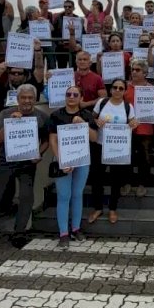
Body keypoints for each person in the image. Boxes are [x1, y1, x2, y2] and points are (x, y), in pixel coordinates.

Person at [0, 84, 49, 262]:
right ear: (18, 99)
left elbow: (45, 139)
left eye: (30, 98)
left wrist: (39, 152)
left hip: (27, 162)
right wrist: (11, 124)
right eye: (24, 98)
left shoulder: (41, 116)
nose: (27, 101)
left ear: (35, 99)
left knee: (26, 197)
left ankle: (19, 233)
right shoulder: (6, 113)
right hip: (5, 160)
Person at [48, 85, 97, 243]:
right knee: (64, 195)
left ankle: (75, 228)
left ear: (81, 98)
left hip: (82, 160)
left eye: (75, 94)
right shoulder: (56, 115)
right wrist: (61, 160)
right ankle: (63, 232)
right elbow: (52, 140)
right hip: (62, 159)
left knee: (77, 194)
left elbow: (94, 137)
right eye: (68, 94)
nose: (71, 97)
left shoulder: (86, 115)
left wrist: (83, 124)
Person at [89, 78, 138, 224]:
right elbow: (91, 119)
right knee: (97, 178)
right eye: (115, 87)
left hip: (117, 148)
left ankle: (112, 208)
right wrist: (96, 122)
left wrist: (134, 124)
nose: (117, 90)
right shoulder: (102, 102)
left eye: (120, 88)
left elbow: (132, 122)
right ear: (110, 89)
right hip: (100, 145)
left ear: (124, 91)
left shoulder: (128, 106)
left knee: (116, 179)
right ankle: (97, 207)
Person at [0, 44, 46, 112]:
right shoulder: (4, 88)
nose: (16, 75)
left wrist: (37, 51)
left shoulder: (32, 85)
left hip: (29, 120)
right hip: (7, 119)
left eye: (19, 73)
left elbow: (39, 67)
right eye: (13, 73)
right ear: (8, 74)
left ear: (25, 75)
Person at [125, 60, 154, 197]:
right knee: (127, 156)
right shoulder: (124, 87)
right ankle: (127, 182)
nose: (134, 72)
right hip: (126, 128)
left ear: (145, 73)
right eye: (133, 69)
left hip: (145, 128)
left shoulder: (152, 89)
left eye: (138, 70)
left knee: (144, 157)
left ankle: (142, 183)